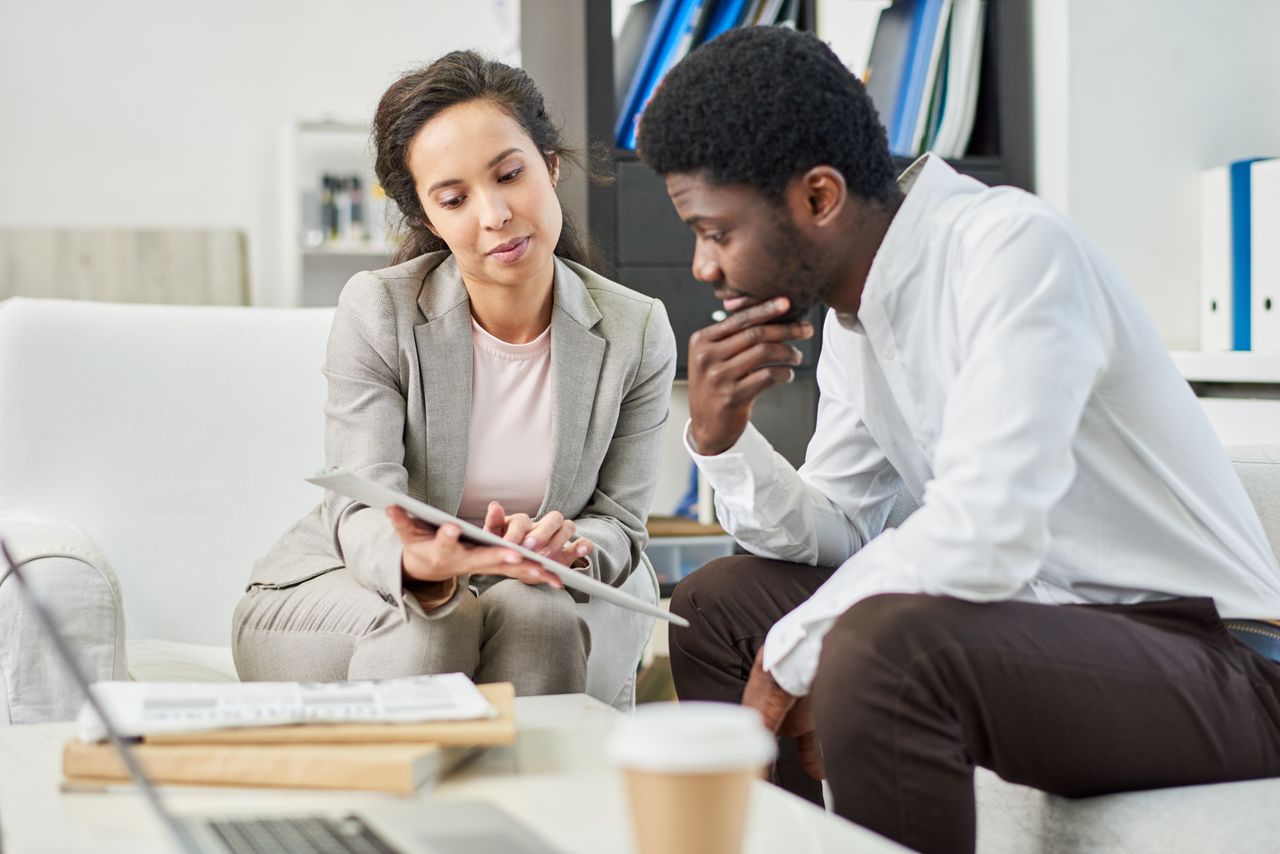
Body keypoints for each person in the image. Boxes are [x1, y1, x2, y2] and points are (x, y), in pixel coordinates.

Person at [636, 25, 1280, 854]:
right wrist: (720, 439)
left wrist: (794, 654)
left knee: (878, 649)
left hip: (1220, 662)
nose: (703, 267)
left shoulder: (1010, 249)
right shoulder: (855, 323)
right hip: (1039, 635)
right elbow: (841, 530)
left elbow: (988, 533)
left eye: (715, 231)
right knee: (717, 608)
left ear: (820, 198)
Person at [233, 51, 676, 697]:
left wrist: (570, 544)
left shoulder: (635, 330)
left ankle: (535, 800)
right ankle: (401, 800)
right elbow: (360, 502)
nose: (494, 214)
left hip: (515, 588)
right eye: (454, 198)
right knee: (437, 619)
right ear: (426, 217)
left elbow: (620, 523)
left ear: (550, 168)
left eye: (510, 174)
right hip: (340, 590)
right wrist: (417, 562)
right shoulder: (379, 308)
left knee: (543, 617)